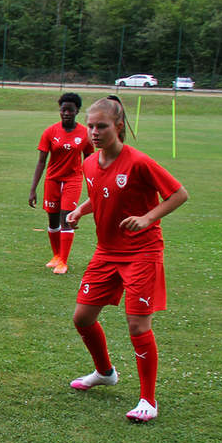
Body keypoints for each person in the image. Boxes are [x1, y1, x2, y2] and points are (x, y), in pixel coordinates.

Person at [65, 96, 188, 423]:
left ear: (118, 127)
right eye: (90, 126)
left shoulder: (138, 162)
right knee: (82, 318)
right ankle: (105, 372)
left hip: (142, 252)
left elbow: (178, 194)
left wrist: (148, 218)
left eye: (101, 126)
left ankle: (148, 400)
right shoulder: (90, 162)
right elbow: (98, 194)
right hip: (106, 252)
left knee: (137, 324)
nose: (93, 132)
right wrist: (80, 209)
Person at [28, 92, 92, 274]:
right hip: (52, 180)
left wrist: (92, 186)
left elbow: (89, 160)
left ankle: (64, 261)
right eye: (63, 110)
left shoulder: (85, 133)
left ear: (77, 111)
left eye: (70, 110)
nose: (66, 113)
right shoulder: (50, 132)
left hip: (73, 180)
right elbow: (41, 161)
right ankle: (56, 255)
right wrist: (33, 189)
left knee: (67, 218)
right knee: (53, 219)